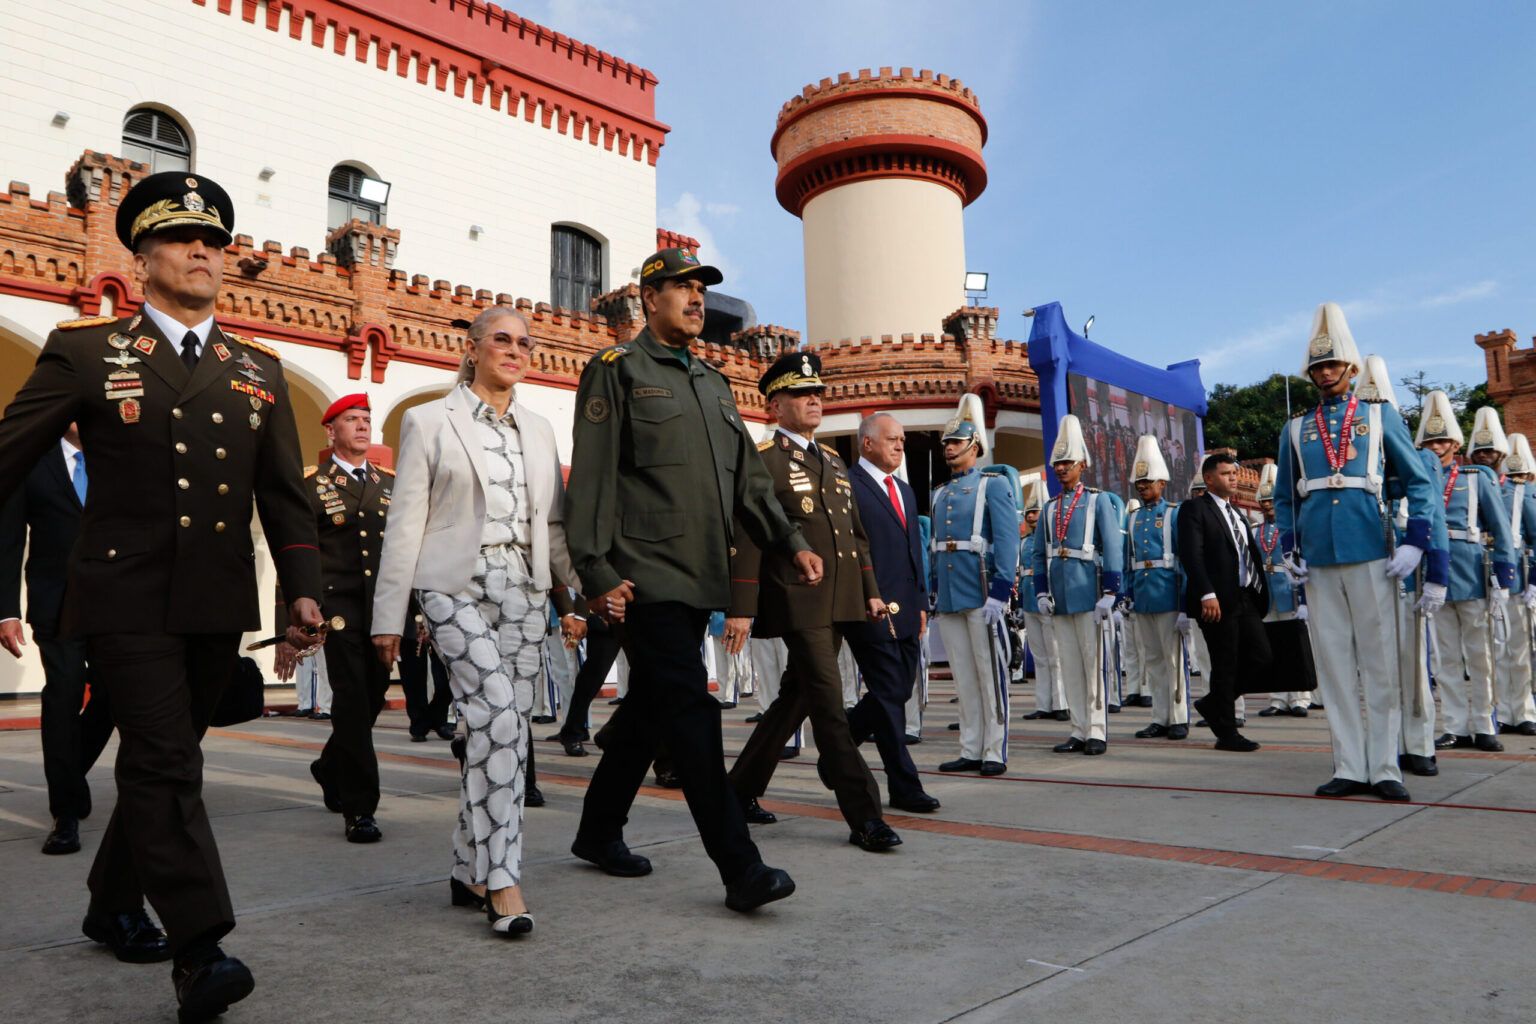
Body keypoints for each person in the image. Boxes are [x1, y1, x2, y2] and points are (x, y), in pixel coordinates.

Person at [0, 171, 323, 1021]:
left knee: (165, 760)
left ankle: (111, 902)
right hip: (124, 596)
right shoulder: (87, 350)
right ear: (142, 258)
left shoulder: (256, 369)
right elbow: (8, 454)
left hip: (216, 602)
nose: (201, 252)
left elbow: (284, 496)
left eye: (213, 241)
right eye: (181, 238)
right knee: (167, 763)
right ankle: (201, 949)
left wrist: (302, 591)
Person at [565, 246, 816, 912]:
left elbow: (750, 483)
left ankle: (597, 831)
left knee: (649, 711)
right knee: (693, 710)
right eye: (682, 287)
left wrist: (789, 543)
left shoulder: (712, 384)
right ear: (650, 299)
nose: (697, 297)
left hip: (700, 575)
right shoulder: (617, 370)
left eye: (701, 288)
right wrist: (596, 570)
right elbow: (591, 477)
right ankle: (741, 867)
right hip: (644, 577)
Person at [372, 306, 583, 938]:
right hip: (452, 584)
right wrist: (389, 616)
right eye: (502, 340)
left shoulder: (540, 429)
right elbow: (405, 522)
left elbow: (552, 526)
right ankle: (502, 879)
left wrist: (582, 591)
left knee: (503, 731)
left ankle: (468, 867)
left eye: (525, 343)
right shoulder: (429, 420)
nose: (516, 351)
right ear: (472, 348)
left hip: (525, 588)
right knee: (498, 715)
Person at [724, 357, 901, 851]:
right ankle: (865, 816)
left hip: (840, 600)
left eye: (817, 392)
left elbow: (855, 537)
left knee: (795, 699)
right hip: (797, 599)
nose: (814, 400)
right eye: (802, 394)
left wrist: (870, 591)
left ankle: (736, 791)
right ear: (775, 405)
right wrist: (742, 605)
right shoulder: (764, 459)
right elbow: (748, 533)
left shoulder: (834, 460)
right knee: (829, 704)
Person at [1274, 302, 1440, 801]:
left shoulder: (1378, 414)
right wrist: (1289, 546)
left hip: (1372, 549)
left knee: (1381, 662)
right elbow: (1285, 498)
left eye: (1333, 365)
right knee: (1334, 666)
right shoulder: (1295, 428)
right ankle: (1349, 764)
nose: (1326, 373)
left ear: (1350, 369)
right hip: (1319, 557)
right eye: (1318, 367)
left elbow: (1419, 482)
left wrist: (1416, 541)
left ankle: (1386, 766)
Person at [272, 394, 395, 843]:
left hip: (383, 612)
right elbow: (293, 556)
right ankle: (361, 809)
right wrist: (289, 623)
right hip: (335, 613)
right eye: (352, 419)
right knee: (352, 700)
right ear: (331, 430)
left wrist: (416, 614)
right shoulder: (312, 485)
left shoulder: (390, 484)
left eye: (366, 419)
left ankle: (328, 766)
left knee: (372, 698)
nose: (362, 426)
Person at [0, 425, 115, 855]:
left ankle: (70, 774)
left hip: (116, 605)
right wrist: (7, 611)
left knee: (114, 695)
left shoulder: (120, 456)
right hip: (56, 606)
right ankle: (64, 816)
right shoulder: (31, 459)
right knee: (63, 696)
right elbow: (8, 538)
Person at [840, 412, 941, 812]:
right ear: (867, 443)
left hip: (907, 609)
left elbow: (915, 552)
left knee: (897, 692)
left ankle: (839, 744)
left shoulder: (905, 490)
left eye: (902, 439)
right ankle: (905, 786)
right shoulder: (847, 485)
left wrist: (921, 602)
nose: (900, 445)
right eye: (891, 439)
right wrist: (866, 595)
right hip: (871, 608)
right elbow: (851, 550)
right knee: (887, 696)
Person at [930, 395, 1021, 773]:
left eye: (956, 442)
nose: (949, 449)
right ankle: (970, 747)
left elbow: (1008, 539)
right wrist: (934, 590)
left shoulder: (993, 485)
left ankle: (994, 750)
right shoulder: (939, 492)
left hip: (982, 593)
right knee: (964, 677)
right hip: (951, 595)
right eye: (946, 443)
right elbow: (936, 546)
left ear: (974, 446)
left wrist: (1001, 589)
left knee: (989, 674)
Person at [1421, 394, 1515, 753]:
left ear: (1455, 444)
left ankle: (1484, 724)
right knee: (1444, 657)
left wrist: (1504, 578)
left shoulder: (1475, 477)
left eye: (1441, 441)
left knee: (1480, 656)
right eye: (1429, 442)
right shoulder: (1420, 479)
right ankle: (1455, 726)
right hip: (1434, 575)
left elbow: (1501, 529)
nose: (1435, 447)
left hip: (1471, 572)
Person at [1032, 414, 1123, 756]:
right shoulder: (1049, 508)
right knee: (1070, 666)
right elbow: (1039, 554)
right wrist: (1041, 591)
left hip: (1089, 592)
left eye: (1066, 463)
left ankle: (1096, 730)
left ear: (1082, 465)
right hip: (1060, 597)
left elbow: (1112, 546)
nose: (1060, 469)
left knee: (1093, 665)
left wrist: (1111, 592)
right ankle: (1078, 728)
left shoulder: (1098, 501)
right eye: (1057, 463)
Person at [1176, 452, 1271, 752]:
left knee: (1262, 657)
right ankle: (1227, 733)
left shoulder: (1238, 513)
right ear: (1209, 479)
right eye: (1226, 473)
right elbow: (1192, 554)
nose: (1233, 477)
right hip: (1216, 600)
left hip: (1246, 596)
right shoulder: (1195, 508)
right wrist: (1206, 593)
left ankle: (1213, 702)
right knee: (1225, 664)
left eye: (1235, 473)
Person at [1124, 436, 1191, 740]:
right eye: (1139, 482)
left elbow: (1185, 561)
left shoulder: (1174, 513)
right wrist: (1128, 595)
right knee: (1152, 659)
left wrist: (1185, 604)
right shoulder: (1134, 517)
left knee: (1173, 659)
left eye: (1147, 481)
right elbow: (1129, 561)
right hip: (1143, 596)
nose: (1142, 486)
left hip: (1168, 594)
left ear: (1162, 483)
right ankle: (1159, 717)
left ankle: (1178, 716)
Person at [1252, 464, 1316, 718]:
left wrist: (1303, 596)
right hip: (1267, 594)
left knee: (1295, 645)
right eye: (1264, 501)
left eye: (1271, 501)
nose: (1268, 506)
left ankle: (1300, 698)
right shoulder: (1256, 531)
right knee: (1272, 646)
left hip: (1289, 590)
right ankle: (1278, 698)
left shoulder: (1292, 528)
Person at [1494, 432, 1536, 735]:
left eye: (1521, 475)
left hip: (1520, 578)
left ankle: (1523, 711)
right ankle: (1503, 711)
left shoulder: (1527, 494)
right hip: (1493, 577)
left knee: (1520, 650)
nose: (1516, 480)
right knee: (1496, 650)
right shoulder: (1492, 488)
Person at [1018, 480, 1068, 722]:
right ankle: (1044, 704)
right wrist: (1020, 604)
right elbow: (1022, 574)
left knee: (1055, 655)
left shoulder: (1053, 541)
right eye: (1029, 513)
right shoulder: (1024, 542)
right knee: (1039, 656)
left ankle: (1061, 704)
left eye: (1035, 512)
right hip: (1030, 602)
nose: (1031, 516)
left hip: (1048, 600)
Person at [399, 599, 454, 742]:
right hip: (409, 621)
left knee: (448, 680)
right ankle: (418, 724)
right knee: (413, 680)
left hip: (441, 618)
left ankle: (436, 718)